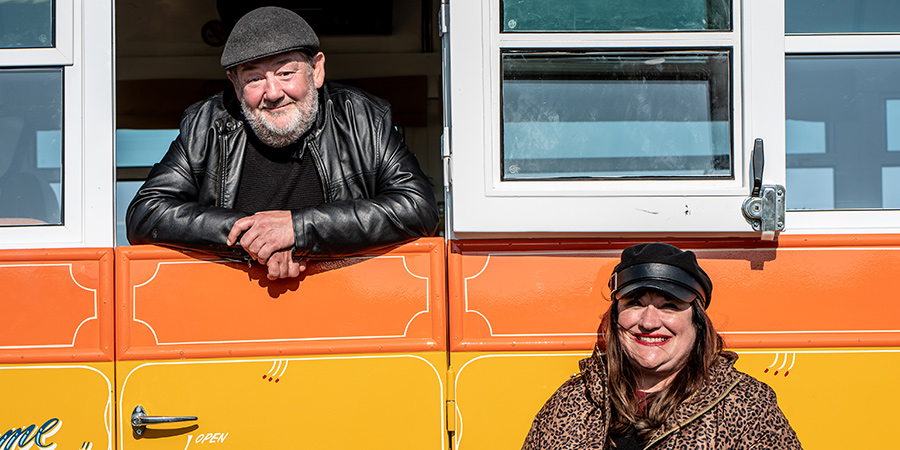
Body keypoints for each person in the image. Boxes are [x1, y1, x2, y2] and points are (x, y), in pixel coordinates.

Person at [126, 6, 438, 280]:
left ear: (316, 70)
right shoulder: (205, 125)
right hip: (227, 313)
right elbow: (145, 214)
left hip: (355, 302)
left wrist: (298, 229)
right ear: (236, 85)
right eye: (254, 79)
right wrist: (255, 238)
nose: (273, 92)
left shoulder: (362, 117)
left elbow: (418, 208)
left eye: (286, 72)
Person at [522, 242, 801, 449]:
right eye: (635, 303)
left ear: (697, 323)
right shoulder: (572, 402)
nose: (649, 322)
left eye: (669, 305)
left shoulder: (746, 406)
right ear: (617, 317)